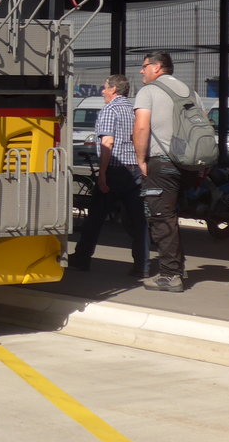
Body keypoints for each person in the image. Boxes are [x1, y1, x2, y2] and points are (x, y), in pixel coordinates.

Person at [133, 51, 205, 293]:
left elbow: (141, 126)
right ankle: (177, 267)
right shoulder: (190, 92)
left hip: (162, 164)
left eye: (144, 66)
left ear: (157, 67)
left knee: (161, 219)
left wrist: (140, 159)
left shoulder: (149, 91)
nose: (141, 71)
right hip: (188, 164)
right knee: (170, 217)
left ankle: (170, 275)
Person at [68, 74, 149, 276]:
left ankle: (82, 258)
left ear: (113, 89)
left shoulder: (109, 109)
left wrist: (102, 173)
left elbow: (107, 143)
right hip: (134, 170)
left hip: (115, 170)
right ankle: (142, 265)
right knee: (138, 221)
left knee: (95, 217)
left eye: (105, 87)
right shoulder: (133, 109)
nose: (103, 91)